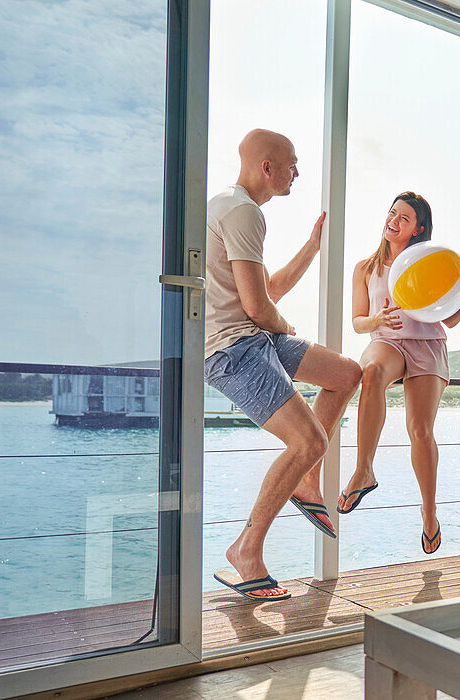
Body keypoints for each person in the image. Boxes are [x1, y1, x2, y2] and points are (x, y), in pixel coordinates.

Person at [205, 129, 362, 600]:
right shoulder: (242, 211)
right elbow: (259, 306)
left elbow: (264, 289)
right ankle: (245, 552)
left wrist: (312, 249)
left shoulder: (234, 208)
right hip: (233, 349)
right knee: (308, 439)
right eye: (292, 164)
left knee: (347, 374)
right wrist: (284, 326)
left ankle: (308, 478)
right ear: (266, 167)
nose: (298, 172)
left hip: (254, 338)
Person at [336, 192, 460, 554]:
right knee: (370, 370)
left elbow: (449, 319)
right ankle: (363, 471)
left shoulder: (430, 262)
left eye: (404, 218)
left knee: (420, 429)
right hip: (388, 339)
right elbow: (357, 321)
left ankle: (429, 513)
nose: (393, 221)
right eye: (392, 213)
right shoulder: (365, 268)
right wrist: (376, 320)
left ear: (419, 229)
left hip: (428, 345)